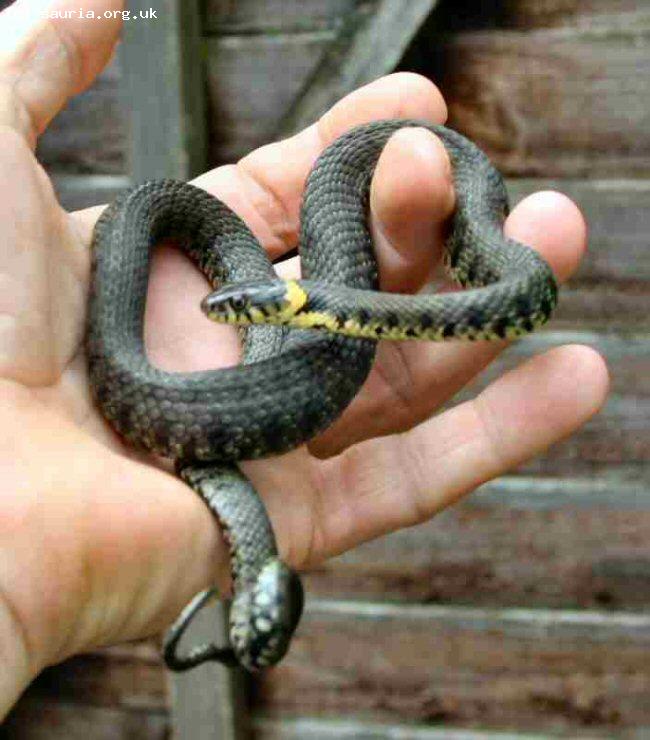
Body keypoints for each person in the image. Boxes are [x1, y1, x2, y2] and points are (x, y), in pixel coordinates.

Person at [0, 0, 608, 719]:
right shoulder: (262, 272)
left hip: (341, 296)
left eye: (244, 310)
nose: (227, 313)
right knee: (148, 220)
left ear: (286, 309)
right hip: (151, 355)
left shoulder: (364, 291)